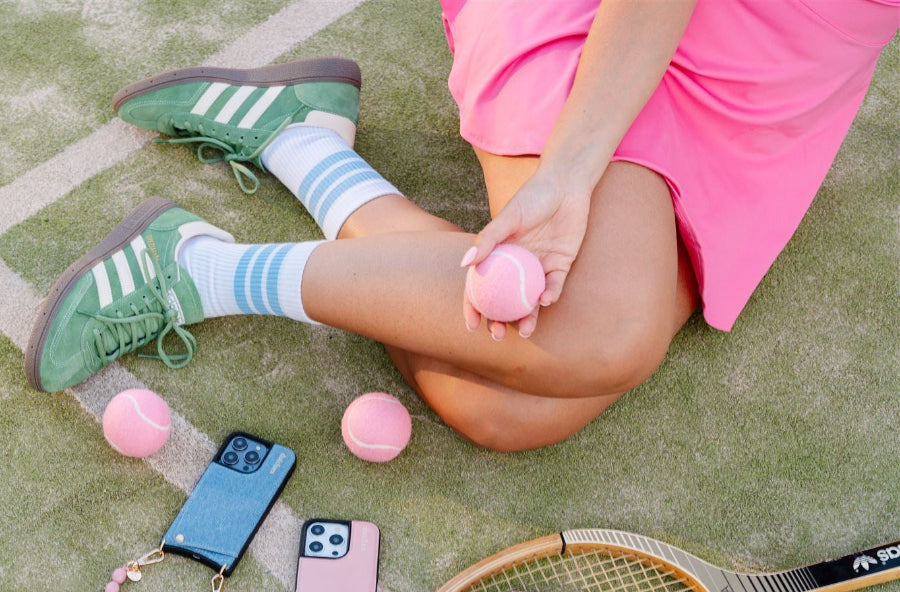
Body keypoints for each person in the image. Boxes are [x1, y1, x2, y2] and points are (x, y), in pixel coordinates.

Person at [24, 0, 898, 451]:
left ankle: (304, 142)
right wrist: (568, 173)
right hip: (610, 19)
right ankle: (197, 269)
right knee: (601, 328)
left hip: (775, 66)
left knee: (500, 408)